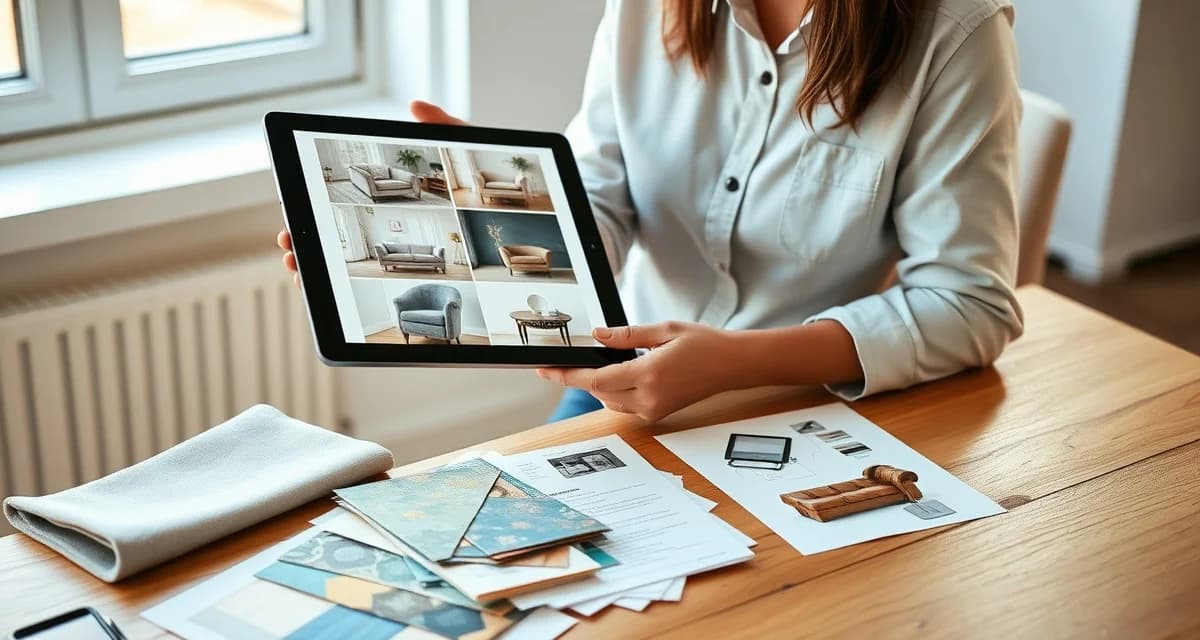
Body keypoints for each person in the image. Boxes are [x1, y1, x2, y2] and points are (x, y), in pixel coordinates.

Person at [278, 0, 1023, 424]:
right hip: (631, 385)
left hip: (819, 405)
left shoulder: (955, 30)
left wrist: (738, 362)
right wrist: (500, 208)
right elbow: (603, 198)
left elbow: (972, 304)